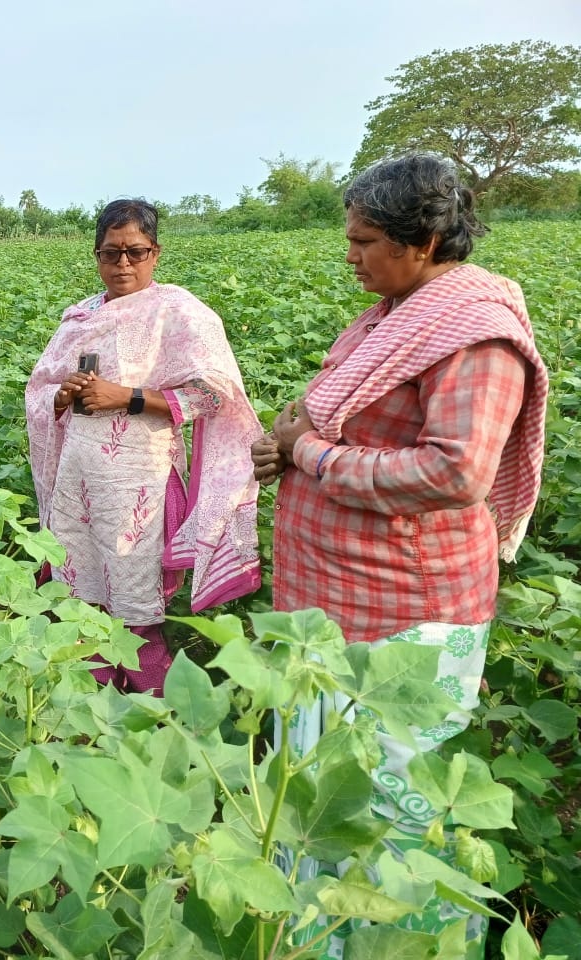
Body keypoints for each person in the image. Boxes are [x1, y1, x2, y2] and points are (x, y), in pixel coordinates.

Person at [251, 154, 549, 956]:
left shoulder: (474, 335)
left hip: (403, 624)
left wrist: (307, 456)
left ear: (423, 242)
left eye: (366, 239)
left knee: (390, 814)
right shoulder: (394, 313)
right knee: (320, 799)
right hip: (335, 608)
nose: (350, 253)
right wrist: (285, 447)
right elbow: (334, 417)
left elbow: (455, 473)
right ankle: (312, 938)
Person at [26, 199, 262, 695]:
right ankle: (84, 713)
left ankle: (152, 715)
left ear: (155, 253)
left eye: (135, 251)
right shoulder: (80, 317)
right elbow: (39, 387)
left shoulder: (178, 312)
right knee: (79, 601)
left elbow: (214, 392)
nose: (123, 264)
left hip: (140, 483)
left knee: (134, 609)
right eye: (111, 253)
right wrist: (62, 394)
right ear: (96, 255)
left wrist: (128, 397)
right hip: (78, 479)